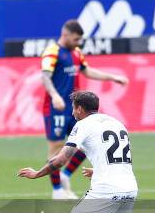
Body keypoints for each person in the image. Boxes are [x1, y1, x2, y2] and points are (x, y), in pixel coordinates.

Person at [40, 20, 128, 199]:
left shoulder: (76, 52)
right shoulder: (52, 51)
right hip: (56, 108)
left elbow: (87, 71)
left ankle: (65, 175)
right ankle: (57, 190)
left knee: (87, 142)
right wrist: (55, 95)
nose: (78, 42)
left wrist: (112, 77)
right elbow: (45, 76)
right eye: (76, 39)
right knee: (56, 147)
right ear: (65, 35)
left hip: (76, 107)